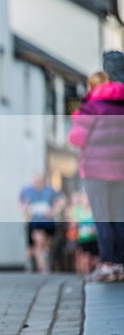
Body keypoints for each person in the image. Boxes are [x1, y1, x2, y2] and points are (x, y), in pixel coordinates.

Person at [69, 71, 124, 281]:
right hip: (120, 171)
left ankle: (108, 263)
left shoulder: (91, 107)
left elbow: (76, 138)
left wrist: (77, 117)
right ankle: (120, 263)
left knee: (102, 217)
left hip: (96, 171)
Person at [18, 173, 65, 274]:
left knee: (46, 244)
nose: (37, 183)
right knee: (37, 243)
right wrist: (25, 208)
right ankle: (41, 266)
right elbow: (19, 202)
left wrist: (53, 210)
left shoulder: (50, 190)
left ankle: (43, 263)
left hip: (48, 222)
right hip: (34, 222)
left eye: (39, 181)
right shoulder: (27, 190)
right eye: (35, 181)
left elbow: (62, 199)